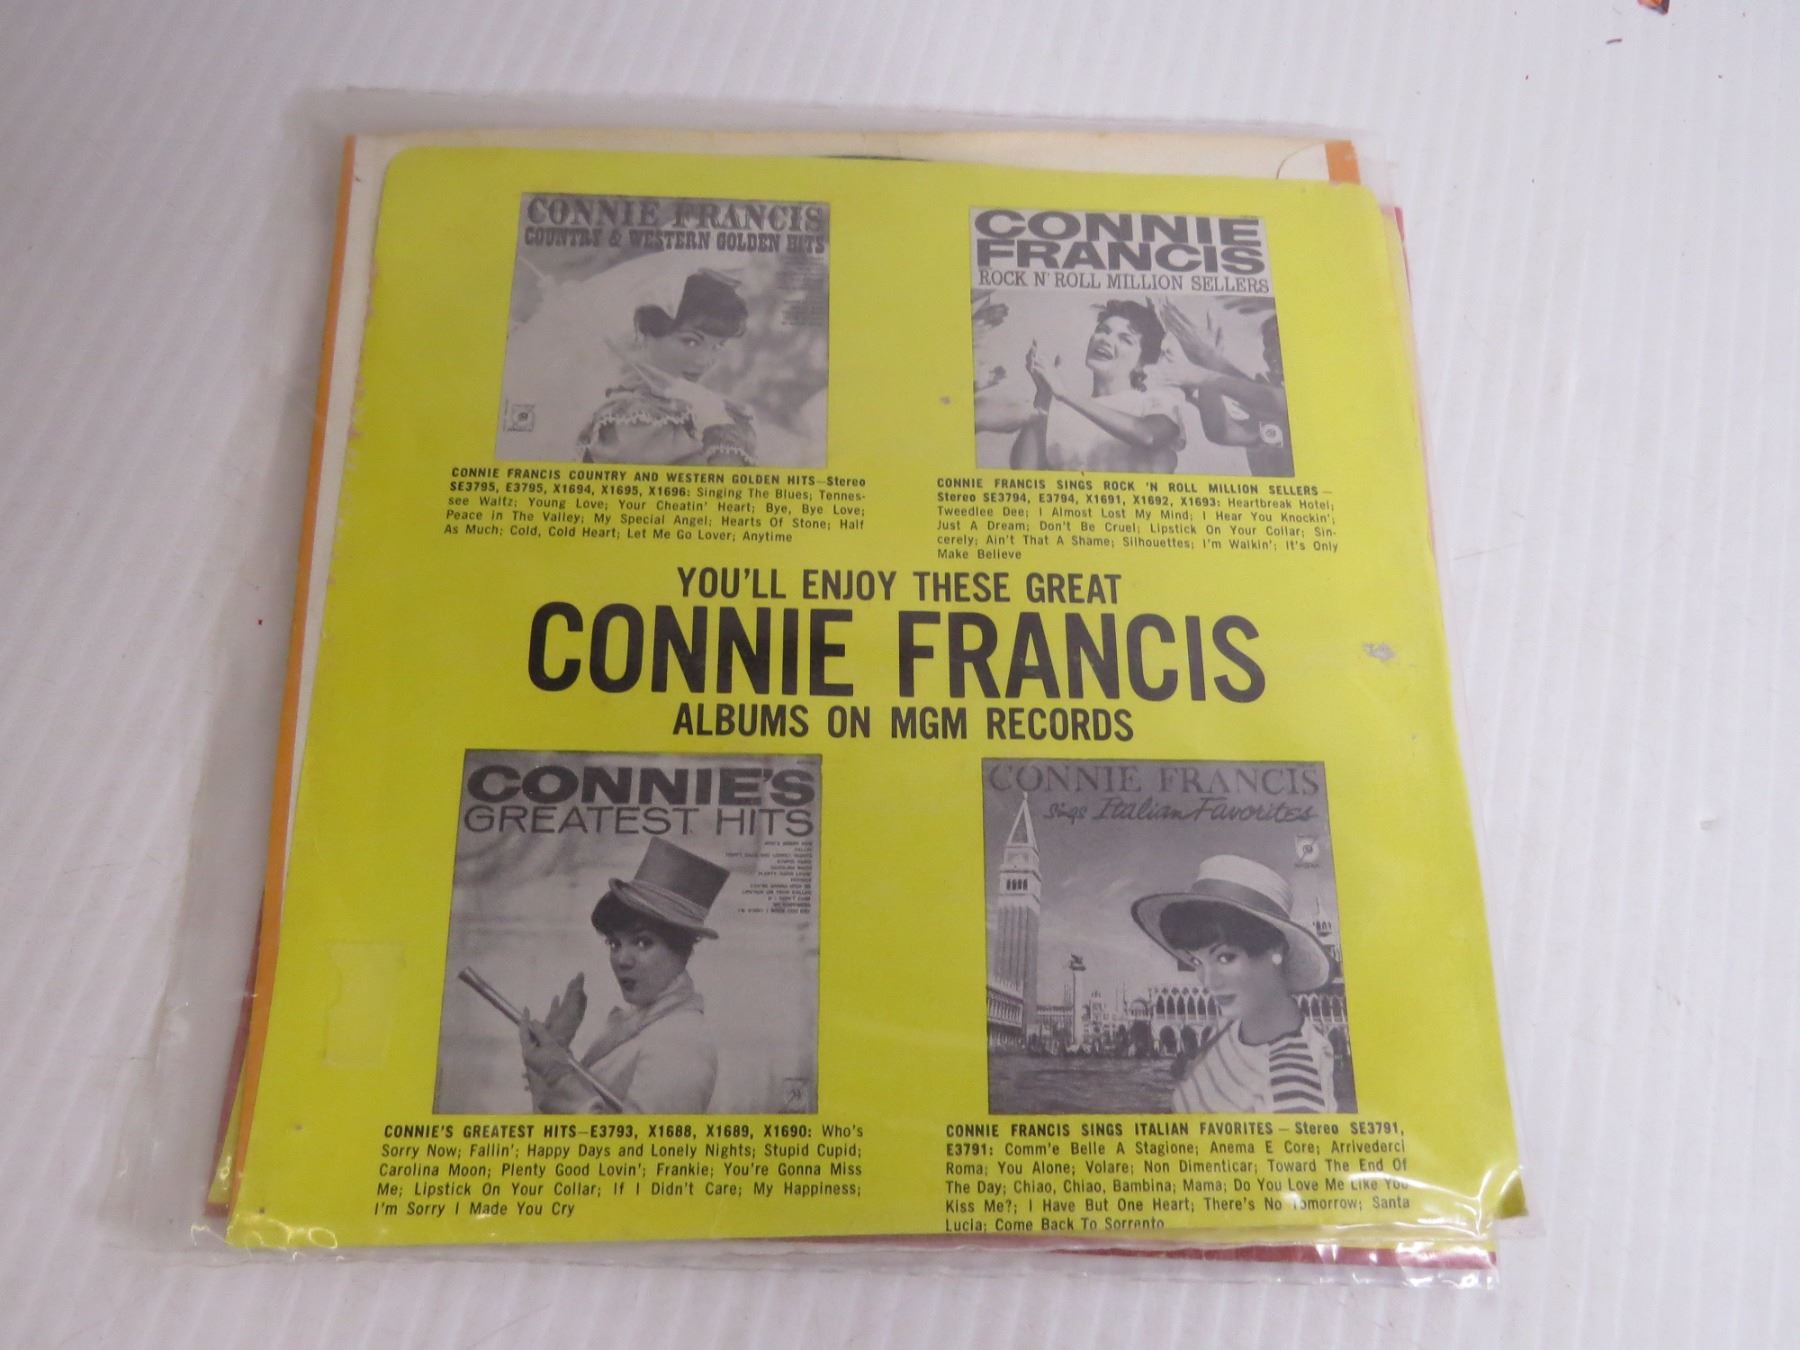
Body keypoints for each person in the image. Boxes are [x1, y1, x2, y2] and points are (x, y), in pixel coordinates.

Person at [518, 838, 725, 1114]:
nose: (621, 960)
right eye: (615, 943)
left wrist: (558, 1075)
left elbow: (642, 1142)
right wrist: (556, 1051)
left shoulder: (683, 1041)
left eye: (643, 942)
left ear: (682, 950)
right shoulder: (642, 1025)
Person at [1131, 855, 1338, 1113]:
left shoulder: (1289, 1079)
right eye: (1197, 961)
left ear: (1274, 952)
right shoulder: (1234, 1029)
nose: (1207, 982)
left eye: (1225, 957)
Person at [575, 269, 758, 466]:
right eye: (691, 342)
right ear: (646, 334)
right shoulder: (634, 418)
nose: (705, 360)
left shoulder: (685, 401)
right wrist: (717, 426)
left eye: (718, 346)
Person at [1004, 300, 1185, 472]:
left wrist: (1065, 394)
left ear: (1141, 362)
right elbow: (1024, 472)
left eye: (1125, 339)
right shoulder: (1063, 412)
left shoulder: (1155, 401)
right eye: (1103, 331)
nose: (1106, 340)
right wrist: (1043, 394)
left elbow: (1149, 436)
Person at [1151, 298, 1293, 476]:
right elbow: (1221, 432)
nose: (1270, 354)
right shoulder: (1271, 408)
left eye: (1278, 343)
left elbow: (1273, 400)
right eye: (1268, 345)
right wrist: (1205, 362)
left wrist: (1207, 366)